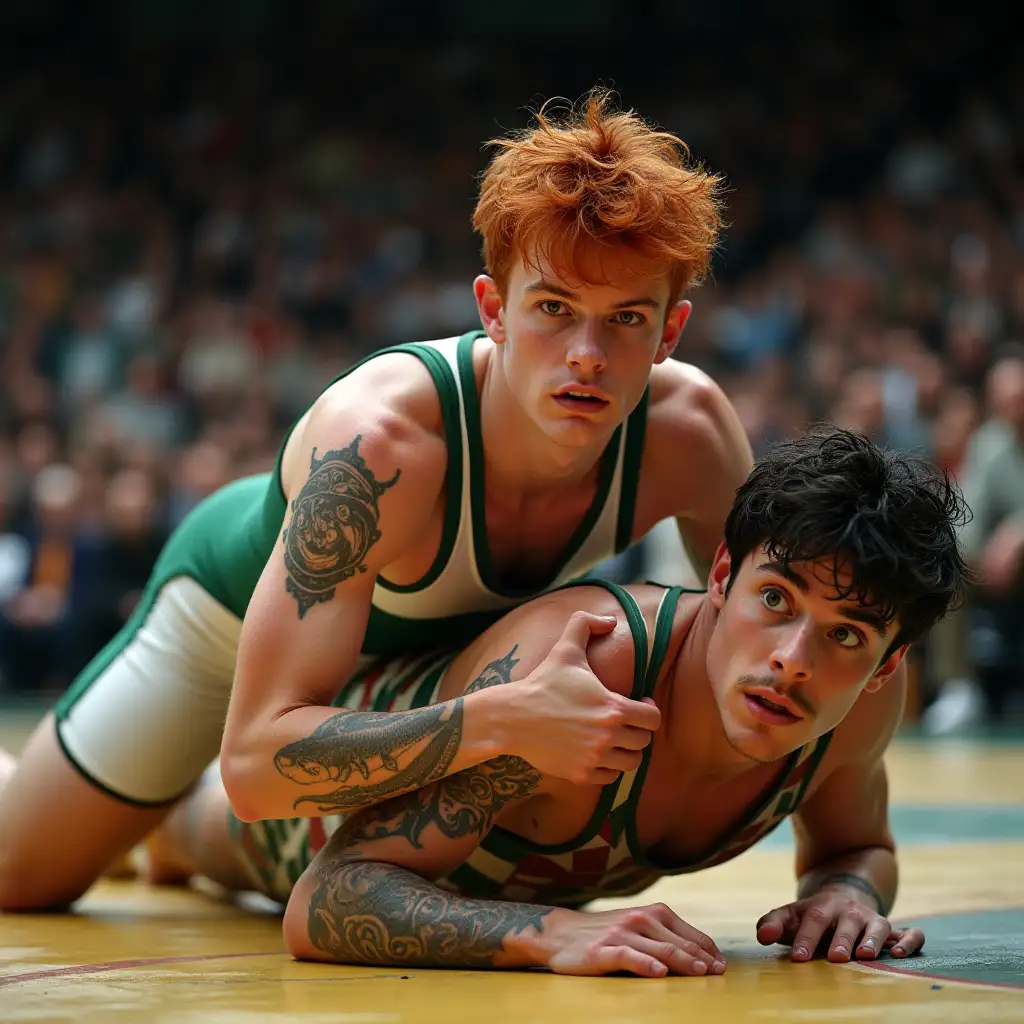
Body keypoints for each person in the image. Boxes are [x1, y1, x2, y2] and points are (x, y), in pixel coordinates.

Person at [0, 89, 754, 910]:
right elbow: (256, 766)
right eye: (553, 309)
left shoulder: (690, 432)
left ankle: (176, 817)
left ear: (670, 332)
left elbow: (775, 625)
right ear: (493, 310)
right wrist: (504, 721)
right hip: (224, 627)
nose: (586, 356)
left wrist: (843, 867)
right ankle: (80, 788)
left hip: (430, 662)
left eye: (626, 319)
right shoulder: (381, 442)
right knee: (20, 877)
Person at [142, 428, 969, 978]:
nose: (793, 663)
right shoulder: (587, 665)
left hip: (475, 855)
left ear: (889, 663)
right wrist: (546, 932)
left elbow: (858, 847)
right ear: (721, 575)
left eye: (847, 636)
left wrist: (846, 894)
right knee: (182, 826)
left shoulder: (858, 709)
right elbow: (325, 901)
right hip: (319, 793)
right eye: (777, 601)